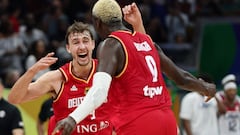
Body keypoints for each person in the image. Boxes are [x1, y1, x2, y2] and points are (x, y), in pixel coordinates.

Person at [53, 1, 216, 135]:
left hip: (139, 123)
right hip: (168, 121)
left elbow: (100, 92)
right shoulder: (148, 42)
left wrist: (73, 118)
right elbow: (181, 78)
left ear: (98, 22)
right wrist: (205, 87)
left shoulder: (111, 44)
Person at [7, 4, 144, 135]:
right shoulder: (57, 78)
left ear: (93, 44)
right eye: (76, 42)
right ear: (68, 48)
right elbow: (14, 99)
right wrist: (32, 71)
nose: (81, 46)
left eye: (85, 41)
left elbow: (144, 58)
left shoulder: (107, 72)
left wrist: (137, 25)